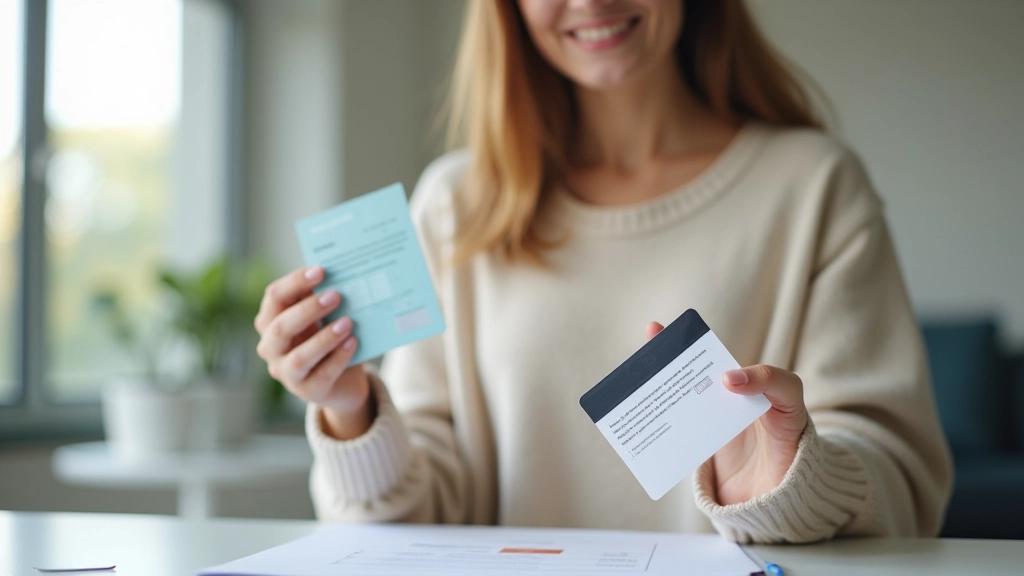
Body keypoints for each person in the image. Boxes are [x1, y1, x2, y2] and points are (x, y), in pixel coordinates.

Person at [254, 0, 952, 543]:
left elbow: (902, 478)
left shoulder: (814, 187)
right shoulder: (454, 206)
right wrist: (352, 411)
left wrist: (788, 481)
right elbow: (427, 512)